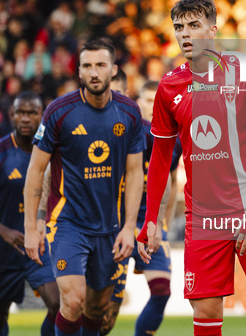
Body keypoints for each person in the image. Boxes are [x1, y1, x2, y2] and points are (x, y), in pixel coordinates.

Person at [137, 0, 246, 335]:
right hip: (202, 219)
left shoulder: (244, 74)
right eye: (180, 27)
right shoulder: (169, 87)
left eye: (194, 26)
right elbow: (160, 159)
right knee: (207, 316)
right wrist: (151, 218)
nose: (186, 34)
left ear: (212, 31)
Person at [24, 38, 145, 336]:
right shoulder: (59, 111)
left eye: (100, 65)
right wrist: (31, 226)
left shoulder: (130, 113)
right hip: (67, 223)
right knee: (74, 299)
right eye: (87, 66)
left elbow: (134, 173)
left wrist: (129, 226)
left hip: (108, 226)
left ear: (113, 70)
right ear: (78, 71)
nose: (94, 72)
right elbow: (36, 171)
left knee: (97, 310)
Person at [0, 91, 59, 336]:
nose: (26, 118)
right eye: (20, 113)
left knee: (59, 306)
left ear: (42, 115)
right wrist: (4, 232)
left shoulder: (52, 153)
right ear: (12, 116)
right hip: (1, 252)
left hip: (40, 247)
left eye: (32, 113)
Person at [101, 79, 179, 336]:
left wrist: (163, 221)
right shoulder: (122, 134)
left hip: (152, 224)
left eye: (160, 101)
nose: (155, 106)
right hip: (118, 227)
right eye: (149, 100)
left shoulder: (173, 140)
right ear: (138, 103)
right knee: (106, 312)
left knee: (162, 291)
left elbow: (172, 181)